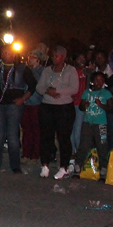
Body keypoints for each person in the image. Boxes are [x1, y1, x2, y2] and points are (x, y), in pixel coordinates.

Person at [0, 45, 37, 173]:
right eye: (3, 52)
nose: (5, 55)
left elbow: (33, 85)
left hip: (14, 106)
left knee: (12, 135)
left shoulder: (22, 68)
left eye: (8, 52)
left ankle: (15, 165)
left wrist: (23, 99)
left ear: (13, 54)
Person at [36, 46, 80, 179]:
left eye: (57, 56)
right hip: (47, 106)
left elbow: (74, 88)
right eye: (53, 56)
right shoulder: (47, 70)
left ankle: (64, 167)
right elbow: (39, 87)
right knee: (46, 137)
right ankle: (45, 164)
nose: (54, 58)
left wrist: (57, 91)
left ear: (63, 57)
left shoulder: (70, 70)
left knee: (63, 138)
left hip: (64, 108)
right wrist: (47, 90)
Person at [75, 71, 112, 180]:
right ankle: (78, 166)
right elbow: (81, 107)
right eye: (97, 80)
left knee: (102, 146)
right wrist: (84, 105)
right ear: (92, 81)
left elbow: (111, 108)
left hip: (101, 123)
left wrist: (101, 105)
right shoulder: (87, 92)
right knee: (84, 145)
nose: (99, 82)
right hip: (88, 122)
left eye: (101, 80)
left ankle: (103, 168)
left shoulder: (106, 93)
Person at [21, 49, 46, 161]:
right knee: (26, 129)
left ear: (38, 59)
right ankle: (26, 153)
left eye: (32, 57)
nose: (29, 59)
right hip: (26, 102)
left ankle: (35, 154)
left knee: (36, 130)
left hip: (37, 103)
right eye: (29, 56)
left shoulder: (42, 71)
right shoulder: (26, 69)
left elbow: (39, 85)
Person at [68, 52, 88, 173]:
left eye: (83, 58)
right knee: (71, 131)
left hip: (81, 105)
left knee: (78, 132)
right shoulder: (70, 72)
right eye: (79, 58)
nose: (82, 60)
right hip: (70, 104)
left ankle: (79, 158)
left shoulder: (87, 72)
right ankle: (72, 156)